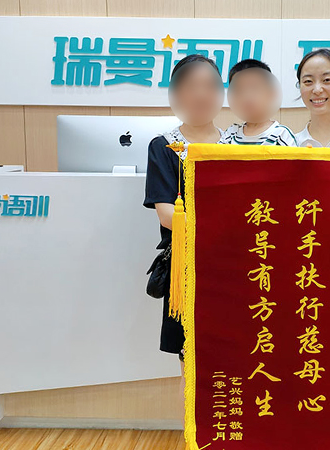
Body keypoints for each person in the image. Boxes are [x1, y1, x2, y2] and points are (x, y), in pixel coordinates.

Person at [143, 54, 225, 372]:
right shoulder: (165, 146)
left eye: (209, 86)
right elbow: (167, 215)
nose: (201, 94)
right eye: (190, 86)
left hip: (236, 266)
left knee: (236, 358)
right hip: (189, 269)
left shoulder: (237, 144)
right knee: (191, 365)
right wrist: (225, 226)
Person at [221, 59, 297, 146]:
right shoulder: (231, 134)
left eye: (255, 89)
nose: (247, 97)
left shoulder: (281, 134)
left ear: (270, 93)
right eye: (240, 90)